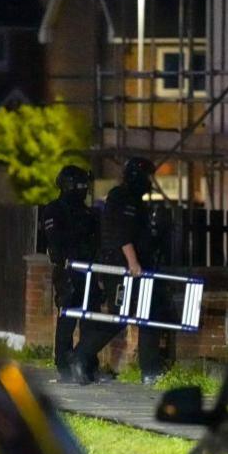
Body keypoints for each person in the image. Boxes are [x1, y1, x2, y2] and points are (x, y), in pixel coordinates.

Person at [70, 157, 167, 385]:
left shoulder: (134, 200)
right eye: (146, 177)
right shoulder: (122, 198)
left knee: (147, 316)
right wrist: (133, 263)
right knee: (119, 317)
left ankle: (150, 371)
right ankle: (80, 357)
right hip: (123, 269)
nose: (149, 182)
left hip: (136, 269)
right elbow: (121, 234)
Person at [41, 165, 99, 382]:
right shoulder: (54, 210)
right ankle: (64, 365)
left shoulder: (88, 212)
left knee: (91, 317)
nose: (84, 189)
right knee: (68, 316)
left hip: (90, 270)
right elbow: (56, 242)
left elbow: (96, 241)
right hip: (68, 270)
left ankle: (85, 363)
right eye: (80, 185)